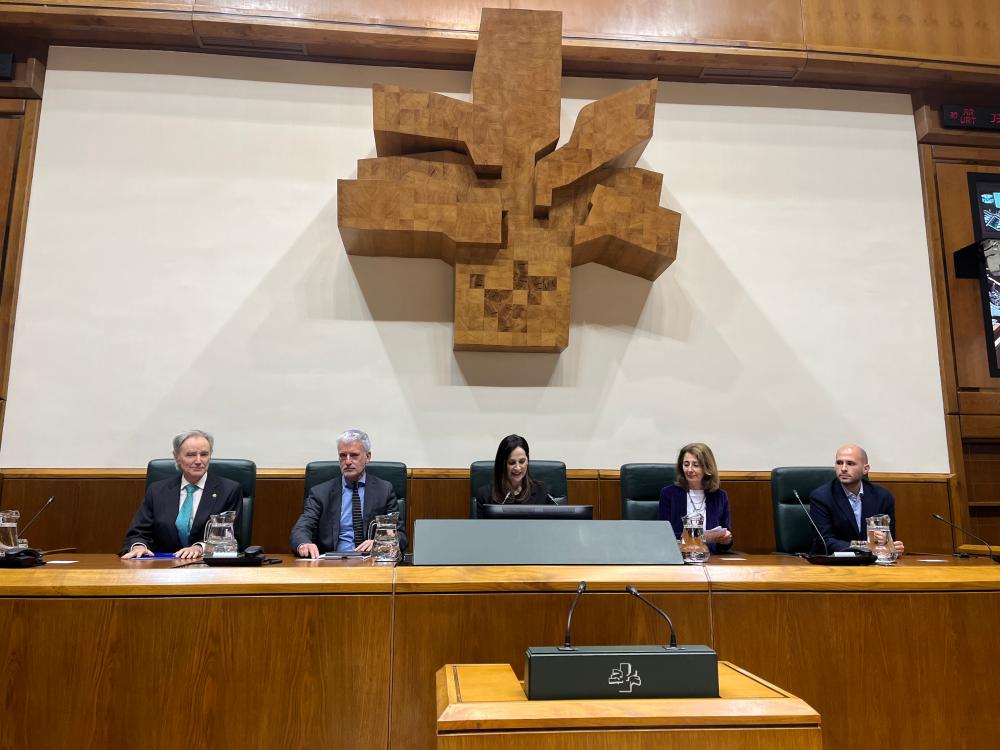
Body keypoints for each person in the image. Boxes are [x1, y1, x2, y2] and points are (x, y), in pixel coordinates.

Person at [120, 429, 243, 559]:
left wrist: (200, 547)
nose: (198, 460)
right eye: (190, 455)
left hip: (208, 567)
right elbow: (138, 533)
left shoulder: (228, 490)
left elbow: (231, 537)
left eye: (204, 454)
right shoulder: (157, 491)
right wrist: (139, 546)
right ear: (176, 457)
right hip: (162, 568)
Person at [291, 429, 407, 558]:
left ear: (368, 457)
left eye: (354, 455)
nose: (347, 461)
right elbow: (302, 527)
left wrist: (381, 543)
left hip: (370, 562)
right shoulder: (320, 492)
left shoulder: (384, 490)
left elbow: (400, 535)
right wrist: (303, 543)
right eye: (342, 456)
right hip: (331, 562)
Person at [809, 443, 905, 556]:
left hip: (872, 564)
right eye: (839, 463)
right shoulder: (821, 497)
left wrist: (889, 545)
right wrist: (866, 547)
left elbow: (889, 538)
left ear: (865, 469)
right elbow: (825, 542)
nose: (843, 469)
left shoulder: (883, 497)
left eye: (850, 463)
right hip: (834, 563)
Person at [658, 442, 733, 553]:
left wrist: (727, 540)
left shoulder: (719, 496)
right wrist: (701, 536)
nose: (689, 470)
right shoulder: (669, 494)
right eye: (686, 464)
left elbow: (725, 537)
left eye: (696, 465)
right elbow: (664, 534)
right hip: (678, 558)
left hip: (710, 559)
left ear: (707, 467)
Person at [475, 434, 555, 514]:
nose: (518, 468)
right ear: (502, 464)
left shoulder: (543, 492)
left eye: (522, 461)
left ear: (527, 461)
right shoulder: (485, 495)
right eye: (512, 463)